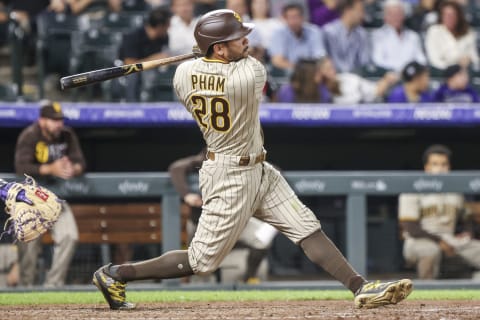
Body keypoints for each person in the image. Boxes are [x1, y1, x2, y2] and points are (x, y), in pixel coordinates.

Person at [92, 9, 412, 310]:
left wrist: (207, 51)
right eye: (238, 37)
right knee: (202, 261)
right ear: (218, 48)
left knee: (306, 227)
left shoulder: (183, 75)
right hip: (229, 175)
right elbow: (248, 66)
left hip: (258, 168)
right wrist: (210, 50)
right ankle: (117, 273)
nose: (247, 40)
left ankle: (360, 287)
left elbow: (205, 64)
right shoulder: (248, 76)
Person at [168, 148, 278, 283]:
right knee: (199, 268)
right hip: (205, 226)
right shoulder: (207, 158)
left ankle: (249, 278)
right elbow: (176, 168)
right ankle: (199, 293)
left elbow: (274, 171)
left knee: (261, 239)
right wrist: (187, 194)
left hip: (236, 222)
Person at [14, 100, 86, 287]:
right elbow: (21, 167)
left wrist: (73, 169)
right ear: (42, 120)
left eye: (60, 119)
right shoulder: (30, 135)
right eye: (53, 120)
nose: (58, 124)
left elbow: (80, 163)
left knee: (70, 235)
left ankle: (53, 286)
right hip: (30, 199)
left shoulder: (67, 135)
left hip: (55, 198)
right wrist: (49, 169)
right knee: (29, 243)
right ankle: (26, 288)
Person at [399, 145, 480, 279]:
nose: (440, 168)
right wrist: (440, 241)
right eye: (435, 164)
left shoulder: (456, 191)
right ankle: (426, 292)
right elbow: (411, 227)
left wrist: (467, 232)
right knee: (430, 250)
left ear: (449, 167)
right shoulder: (412, 189)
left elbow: (467, 218)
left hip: (450, 239)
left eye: (444, 164)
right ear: (427, 167)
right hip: (418, 241)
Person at [371, 0, 427, 72]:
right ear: (385, 17)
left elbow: (421, 60)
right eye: (392, 14)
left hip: (410, 76)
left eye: (398, 14)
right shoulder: (377, 36)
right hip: (388, 76)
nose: (396, 17)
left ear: (403, 16)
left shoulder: (413, 36)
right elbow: (378, 61)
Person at [268, 3, 325, 72]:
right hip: (289, 75)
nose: (294, 21)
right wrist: (300, 69)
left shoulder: (314, 31)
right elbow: (277, 61)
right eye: (290, 18)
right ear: (285, 19)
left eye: (296, 17)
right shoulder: (278, 34)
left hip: (313, 73)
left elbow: (320, 57)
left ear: (302, 17)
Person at [318, 56, 399, 104]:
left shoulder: (346, 78)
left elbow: (375, 91)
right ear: (320, 73)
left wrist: (386, 80)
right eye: (328, 69)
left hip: (370, 101)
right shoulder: (319, 89)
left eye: (332, 67)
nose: (332, 71)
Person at [425, 0, 479, 69]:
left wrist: (469, 59)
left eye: (453, 15)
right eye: (446, 15)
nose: (449, 18)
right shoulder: (434, 31)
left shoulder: (468, 32)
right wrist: (453, 66)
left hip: (465, 72)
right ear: (441, 16)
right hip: (444, 74)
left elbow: (474, 57)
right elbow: (434, 60)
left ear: (458, 16)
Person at [322, 0, 370, 73]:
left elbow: (364, 62)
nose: (362, 15)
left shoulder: (362, 33)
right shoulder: (329, 32)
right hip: (336, 78)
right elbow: (332, 62)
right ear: (348, 10)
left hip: (357, 78)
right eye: (360, 11)